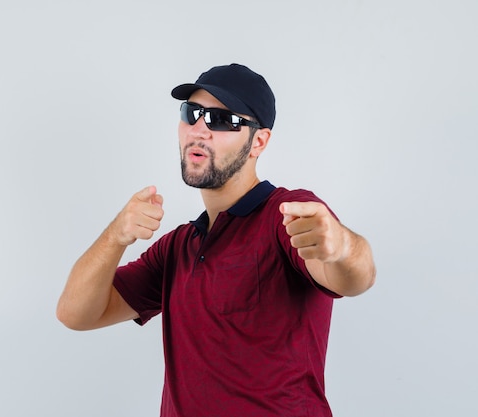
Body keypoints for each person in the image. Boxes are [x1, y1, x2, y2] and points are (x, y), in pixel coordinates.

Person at [56, 63, 376, 417]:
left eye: (222, 120)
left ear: (258, 141)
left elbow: (355, 278)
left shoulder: (285, 216)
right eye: (191, 113)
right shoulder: (178, 247)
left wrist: (343, 248)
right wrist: (116, 236)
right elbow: (76, 313)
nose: (199, 130)